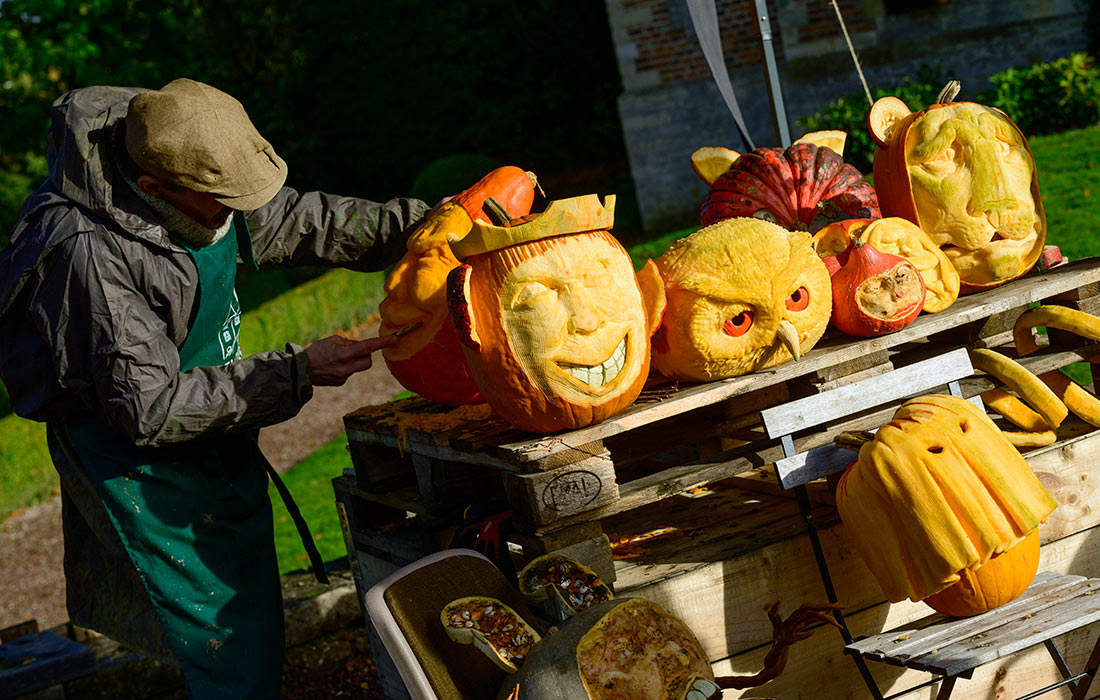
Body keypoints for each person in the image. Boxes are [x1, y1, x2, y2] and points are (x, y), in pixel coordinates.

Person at [0, 78, 430, 698]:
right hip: (143, 466)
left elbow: (306, 221)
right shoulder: (84, 253)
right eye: (223, 204)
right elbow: (150, 407)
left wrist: (428, 223)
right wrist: (298, 369)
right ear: (154, 192)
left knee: (252, 616)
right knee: (227, 647)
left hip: (219, 426)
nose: (238, 214)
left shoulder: (188, 162)